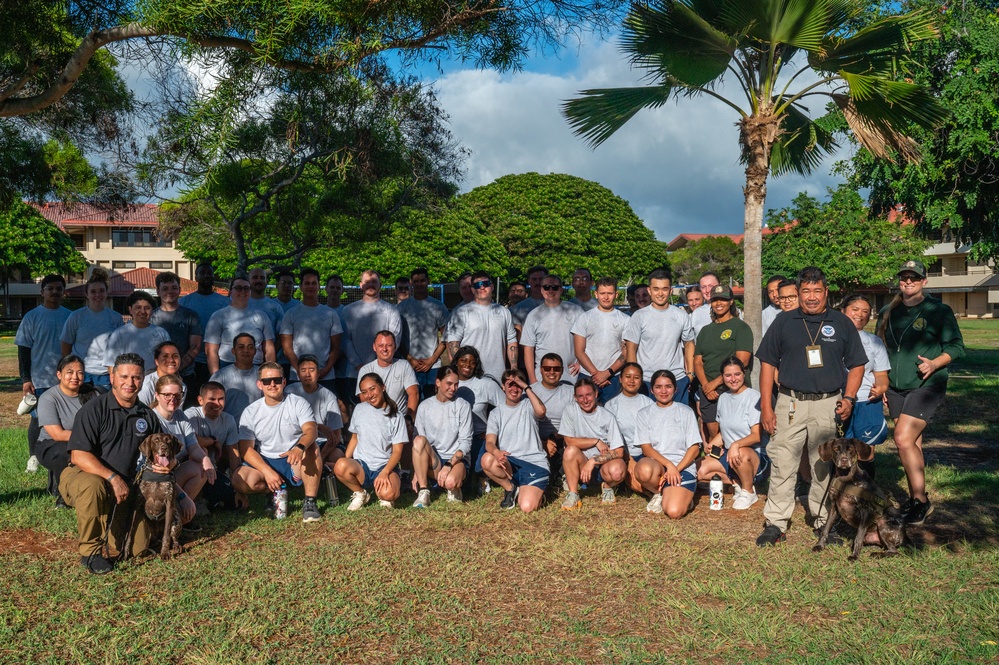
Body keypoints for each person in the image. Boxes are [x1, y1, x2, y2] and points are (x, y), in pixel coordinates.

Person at [755, 266, 867, 547]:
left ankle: (821, 520)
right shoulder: (783, 322)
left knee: (822, 464)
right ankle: (776, 522)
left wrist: (850, 398)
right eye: (806, 291)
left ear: (826, 292)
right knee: (783, 462)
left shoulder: (841, 323)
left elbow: (857, 364)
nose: (812, 297)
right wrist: (767, 408)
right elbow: (767, 363)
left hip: (827, 403)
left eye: (818, 291)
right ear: (798, 292)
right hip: (789, 402)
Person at [59, 353, 190, 574]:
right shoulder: (94, 409)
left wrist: (175, 477)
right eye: (124, 376)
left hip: (126, 485)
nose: (130, 383)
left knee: (138, 549)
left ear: (142, 381)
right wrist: (113, 478)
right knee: (94, 486)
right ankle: (90, 553)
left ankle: (111, 538)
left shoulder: (147, 416)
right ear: (112, 377)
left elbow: (164, 450)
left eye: (136, 377)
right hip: (85, 475)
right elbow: (78, 456)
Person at [877, 260, 965, 524]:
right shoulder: (887, 310)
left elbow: (957, 347)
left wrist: (936, 362)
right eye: (904, 277)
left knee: (902, 439)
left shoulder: (938, 310)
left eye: (914, 278)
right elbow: (879, 349)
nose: (908, 282)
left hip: (927, 385)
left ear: (924, 281)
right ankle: (916, 498)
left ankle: (922, 502)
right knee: (912, 443)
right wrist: (882, 382)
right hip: (894, 387)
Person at [232, 362, 322, 523]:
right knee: (238, 480)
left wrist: (299, 447)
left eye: (277, 380)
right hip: (267, 459)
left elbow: (311, 430)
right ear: (259, 384)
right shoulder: (251, 411)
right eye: (267, 381)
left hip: (293, 459)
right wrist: (267, 471)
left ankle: (309, 502)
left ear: (284, 382)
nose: (272, 384)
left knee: (312, 447)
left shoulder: (297, 402)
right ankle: (274, 490)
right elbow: (246, 449)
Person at [696, 357, 769, 510]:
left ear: (744, 374)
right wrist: (712, 445)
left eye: (737, 374)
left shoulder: (754, 397)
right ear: (722, 377)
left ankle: (748, 491)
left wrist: (736, 444)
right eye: (728, 375)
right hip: (730, 453)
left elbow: (756, 435)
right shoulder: (723, 398)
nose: (733, 379)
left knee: (740, 452)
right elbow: (724, 432)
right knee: (699, 469)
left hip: (753, 455)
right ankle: (737, 483)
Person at [18, 274, 71, 474]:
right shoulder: (32, 317)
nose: (54, 292)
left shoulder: (69, 316)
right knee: (37, 419)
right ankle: (33, 456)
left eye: (59, 288)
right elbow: (23, 350)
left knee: (64, 419)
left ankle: (59, 453)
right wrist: (26, 379)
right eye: (50, 288)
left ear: (63, 292)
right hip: (40, 378)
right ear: (42, 292)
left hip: (66, 378)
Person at [633, 370, 702, 519]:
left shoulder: (686, 411)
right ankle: (659, 493)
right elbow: (646, 448)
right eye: (658, 387)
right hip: (658, 465)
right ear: (651, 390)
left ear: (675, 389)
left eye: (668, 386)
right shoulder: (644, 413)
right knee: (643, 469)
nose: (663, 391)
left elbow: (694, 448)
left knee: (674, 512)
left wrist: (676, 469)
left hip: (682, 466)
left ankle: (681, 497)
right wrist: (669, 466)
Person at [335, 373, 408, 510]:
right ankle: (360, 493)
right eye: (364, 392)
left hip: (384, 466)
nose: (369, 395)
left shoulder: (396, 416)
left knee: (389, 494)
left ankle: (383, 490)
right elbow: (354, 438)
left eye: (372, 389)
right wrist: (346, 462)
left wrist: (385, 472)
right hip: (362, 466)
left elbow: (397, 452)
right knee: (340, 465)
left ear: (383, 387)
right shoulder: (359, 409)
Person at [481, 369, 549, 513]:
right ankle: (511, 488)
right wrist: (496, 452)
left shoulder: (528, 404)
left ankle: (538, 494)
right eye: (510, 384)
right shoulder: (496, 413)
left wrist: (526, 387)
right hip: (511, 462)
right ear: (503, 387)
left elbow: (542, 411)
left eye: (517, 384)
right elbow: (489, 442)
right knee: (487, 459)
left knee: (526, 507)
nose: (514, 388)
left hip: (534, 462)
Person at [623, 268, 696, 402]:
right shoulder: (639, 316)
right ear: (649, 291)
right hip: (646, 381)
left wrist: (690, 374)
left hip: (677, 381)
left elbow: (689, 343)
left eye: (664, 289)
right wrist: (635, 377)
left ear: (670, 290)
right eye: (656, 289)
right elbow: (631, 348)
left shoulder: (681, 316)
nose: (660, 293)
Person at [693, 284, 753, 440]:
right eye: (715, 300)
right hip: (708, 391)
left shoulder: (741, 327)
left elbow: (743, 360)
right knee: (714, 436)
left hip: (732, 388)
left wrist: (716, 383)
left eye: (723, 299)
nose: (719, 303)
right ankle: (718, 463)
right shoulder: (705, 331)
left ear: (731, 301)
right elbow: (698, 362)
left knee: (733, 434)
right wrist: (706, 386)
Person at [149, 374, 215, 514]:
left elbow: (194, 447)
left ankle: (178, 515)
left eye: (177, 395)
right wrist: (182, 495)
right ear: (157, 395)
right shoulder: (152, 420)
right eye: (167, 395)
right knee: (196, 467)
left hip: (175, 469)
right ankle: (176, 513)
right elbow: (161, 468)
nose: (173, 399)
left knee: (202, 462)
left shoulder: (180, 416)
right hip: (159, 477)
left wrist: (206, 461)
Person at [558, 377, 627, 509]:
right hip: (582, 465)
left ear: (596, 394)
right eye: (580, 396)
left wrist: (593, 461)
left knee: (617, 471)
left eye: (589, 395)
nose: (585, 400)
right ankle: (573, 494)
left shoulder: (607, 416)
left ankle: (607, 487)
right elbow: (569, 440)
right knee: (570, 450)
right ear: (575, 397)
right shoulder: (570, 410)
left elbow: (619, 451)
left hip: (603, 466)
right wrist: (596, 441)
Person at [411, 366, 473, 507]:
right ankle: (424, 491)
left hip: (456, 461)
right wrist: (417, 469)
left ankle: (453, 487)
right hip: (434, 460)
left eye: (456, 384)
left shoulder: (463, 406)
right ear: (438, 383)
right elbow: (418, 441)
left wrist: (449, 464)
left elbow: (466, 443)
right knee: (419, 439)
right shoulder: (424, 406)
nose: (453, 388)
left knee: (450, 482)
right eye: (449, 384)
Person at [841, 294, 891, 471]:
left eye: (865, 312)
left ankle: (866, 491)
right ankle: (840, 490)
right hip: (838, 401)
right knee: (840, 449)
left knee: (865, 448)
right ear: (843, 311)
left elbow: (882, 374)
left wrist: (882, 387)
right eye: (855, 309)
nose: (859, 314)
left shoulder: (874, 342)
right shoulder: (830, 338)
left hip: (866, 401)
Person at [35, 355, 91, 506]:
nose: (75, 377)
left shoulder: (92, 394)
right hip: (51, 444)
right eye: (70, 372)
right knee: (66, 451)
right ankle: (63, 494)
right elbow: (57, 434)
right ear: (59, 374)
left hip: (83, 441)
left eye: (80, 372)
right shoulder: (49, 398)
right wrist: (88, 439)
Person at [445, 271, 517, 381]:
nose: (482, 287)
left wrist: (514, 368)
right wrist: (460, 371)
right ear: (473, 289)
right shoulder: (461, 312)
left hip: (498, 376)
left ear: (492, 287)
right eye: (478, 285)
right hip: (471, 377)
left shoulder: (504, 312)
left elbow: (511, 341)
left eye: (486, 284)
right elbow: (453, 343)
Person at [278, 268, 343, 388]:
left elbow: (336, 348)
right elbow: (287, 348)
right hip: (297, 377)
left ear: (319, 286)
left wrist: (326, 370)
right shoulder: (291, 314)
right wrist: (300, 370)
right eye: (307, 283)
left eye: (314, 283)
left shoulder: (330, 314)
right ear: (301, 287)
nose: (310, 286)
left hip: (325, 376)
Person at [60, 269, 122, 388]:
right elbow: (66, 345)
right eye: (93, 291)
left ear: (106, 292)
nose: (97, 295)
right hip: (81, 373)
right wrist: (70, 368)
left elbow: (120, 347)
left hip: (106, 374)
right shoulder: (76, 316)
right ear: (87, 294)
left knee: (103, 406)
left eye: (101, 291)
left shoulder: (116, 318)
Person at [185, 381, 242, 509]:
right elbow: (190, 442)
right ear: (200, 400)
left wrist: (239, 488)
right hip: (192, 466)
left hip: (214, 468)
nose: (217, 403)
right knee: (203, 450)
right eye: (212, 399)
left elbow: (234, 455)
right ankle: (197, 500)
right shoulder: (191, 415)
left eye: (221, 399)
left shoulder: (228, 420)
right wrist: (212, 441)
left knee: (228, 498)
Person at [571, 277, 630, 402]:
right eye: (602, 293)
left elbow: (626, 352)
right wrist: (596, 374)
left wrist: (607, 373)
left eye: (610, 293)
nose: (606, 297)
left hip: (613, 377)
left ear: (616, 294)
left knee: (612, 415)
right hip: (587, 375)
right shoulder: (585, 318)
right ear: (596, 294)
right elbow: (579, 351)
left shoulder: (625, 320)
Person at [203, 275, 276, 375]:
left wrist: (271, 374)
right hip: (226, 367)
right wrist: (215, 377)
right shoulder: (218, 316)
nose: (243, 291)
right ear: (230, 292)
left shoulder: (261, 316)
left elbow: (269, 349)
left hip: (256, 367)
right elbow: (211, 350)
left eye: (246, 288)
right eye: (238, 288)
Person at [451, 346, 504, 482]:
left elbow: (504, 409)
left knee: (478, 467)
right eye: (463, 360)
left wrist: (491, 431)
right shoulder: (449, 383)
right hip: (454, 439)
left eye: (472, 362)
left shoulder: (485, 384)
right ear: (456, 361)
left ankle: (482, 477)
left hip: (479, 437)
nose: (467, 365)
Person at [342, 270, 403, 385]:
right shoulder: (348, 311)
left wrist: (379, 365)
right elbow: (345, 341)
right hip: (354, 373)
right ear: (361, 285)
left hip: (384, 373)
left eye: (374, 282)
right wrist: (359, 366)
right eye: (367, 282)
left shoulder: (391, 310)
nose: (370, 285)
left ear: (380, 285)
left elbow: (395, 340)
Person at [150, 271, 203, 405]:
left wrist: (176, 368)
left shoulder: (191, 316)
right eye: (165, 288)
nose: (170, 292)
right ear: (157, 291)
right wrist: (165, 371)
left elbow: (195, 347)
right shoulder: (151, 318)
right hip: (158, 377)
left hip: (186, 376)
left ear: (179, 290)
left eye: (174, 288)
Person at [285, 354, 344, 472]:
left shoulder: (329, 396)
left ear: (318, 373)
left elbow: (336, 436)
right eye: (303, 370)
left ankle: (324, 466)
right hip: (297, 441)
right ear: (298, 374)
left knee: (337, 455)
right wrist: (320, 427)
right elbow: (288, 425)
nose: (307, 374)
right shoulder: (289, 392)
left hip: (322, 443)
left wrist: (319, 459)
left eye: (312, 370)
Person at [179, 262, 230, 397]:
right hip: (191, 362)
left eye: (210, 273)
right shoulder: (185, 302)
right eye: (203, 273)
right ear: (196, 277)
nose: (206, 276)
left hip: (217, 360)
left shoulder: (225, 302)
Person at [396, 268, 449, 398]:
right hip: (409, 365)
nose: (419, 284)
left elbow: (446, 337)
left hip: (433, 366)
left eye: (422, 280)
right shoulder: (402, 307)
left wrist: (432, 360)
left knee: (433, 403)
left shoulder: (438, 306)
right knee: (412, 402)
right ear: (411, 283)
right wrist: (410, 359)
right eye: (416, 281)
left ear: (428, 281)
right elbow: (397, 339)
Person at [521, 274, 583, 384]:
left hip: (572, 375)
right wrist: (533, 378)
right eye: (546, 287)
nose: (550, 290)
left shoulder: (576, 311)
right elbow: (528, 349)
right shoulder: (533, 315)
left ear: (561, 289)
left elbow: (587, 340)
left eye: (554, 287)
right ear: (541, 290)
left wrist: (581, 363)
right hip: (542, 377)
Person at [604, 362, 654, 496]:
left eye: (636, 377)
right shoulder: (611, 406)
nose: (631, 381)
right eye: (628, 376)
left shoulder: (649, 403)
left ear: (641, 380)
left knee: (648, 476)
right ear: (620, 379)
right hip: (623, 455)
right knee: (637, 482)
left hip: (645, 454)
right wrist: (629, 459)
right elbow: (612, 440)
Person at [356, 330, 419, 420]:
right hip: (375, 420)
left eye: (389, 345)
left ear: (395, 347)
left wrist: (408, 419)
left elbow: (414, 393)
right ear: (374, 347)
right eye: (380, 345)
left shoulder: (404, 365)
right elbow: (364, 399)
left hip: (399, 419)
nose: (385, 349)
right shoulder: (365, 370)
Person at [530, 353, 576, 477]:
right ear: (540, 370)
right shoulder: (531, 391)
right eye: (547, 368)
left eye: (556, 369)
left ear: (562, 371)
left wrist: (554, 437)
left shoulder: (571, 392)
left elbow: (577, 423)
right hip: (536, 440)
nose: (552, 372)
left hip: (563, 439)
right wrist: (543, 443)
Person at [103, 291, 170, 374]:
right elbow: (111, 365)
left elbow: (168, 361)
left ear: (152, 310)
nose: (143, 311)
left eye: (147, 308)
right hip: (129, 381)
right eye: (138, 307)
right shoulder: (119, 334)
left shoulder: (162, 333)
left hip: (155, 382)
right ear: (130, 310)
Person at [210, 333, 264, 421]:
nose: (246, 350)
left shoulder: (263, 374)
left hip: (257, 427)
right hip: (229, 429)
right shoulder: (220, 376)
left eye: (250, 347)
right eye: (241, 347)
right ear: (233, 351)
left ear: (255, 351)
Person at [138, 341, 188, 407]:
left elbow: (177, 413)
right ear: (156, 361)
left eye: (175, 356)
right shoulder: (147, 385)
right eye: (165, 356)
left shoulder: (182, 386)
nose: (171, 360)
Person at [246, 267, 286, 333]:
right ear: (248, 281)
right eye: (255, 277)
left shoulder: (276, 307)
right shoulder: (241, 305)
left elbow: (280, 335)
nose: (259, 280)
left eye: (262, 278)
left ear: (266, 281)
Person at [510, 265, 549, 330]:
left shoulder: (560, 306)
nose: (538, 282)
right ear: (529, 281)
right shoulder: (518, 309)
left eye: (541, 279)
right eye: (534, 279)